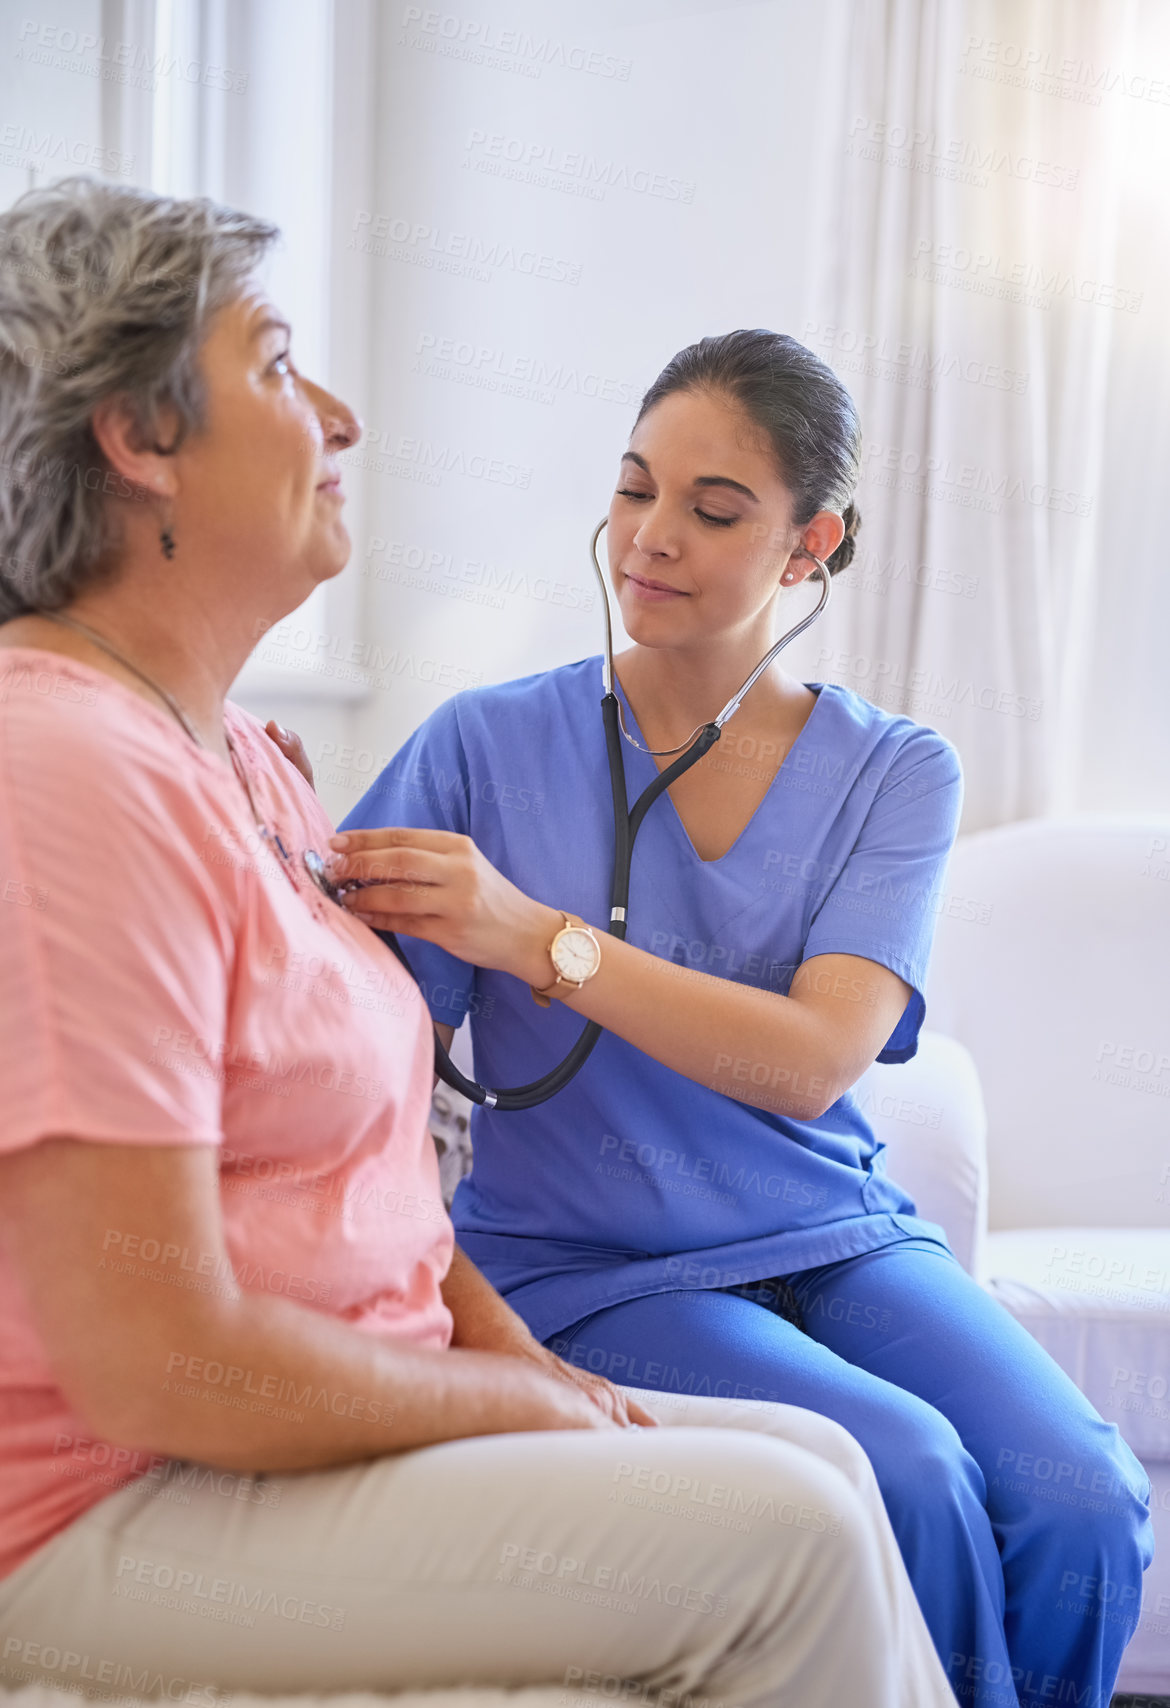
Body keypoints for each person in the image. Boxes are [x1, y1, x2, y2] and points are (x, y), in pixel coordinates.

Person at [0, 177, 957, 1708]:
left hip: (381, 1382)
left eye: (715, 510)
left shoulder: (237, 758)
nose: (337, 415)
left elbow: (371, 1177)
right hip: (107, 1499)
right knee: (786, 1532)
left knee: (832, 1457)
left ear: (804, 548)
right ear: (138, 437)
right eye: (273, 364)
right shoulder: (63, 768)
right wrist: (496, 1405)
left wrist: (518, 1364)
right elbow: (154, 1360)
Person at [333, 330, 1154, 1708]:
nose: (648, 539)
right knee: (910, 1475)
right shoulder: (480, 747)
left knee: (1083, 1496)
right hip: (587, 1269)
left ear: (808, 544)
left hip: (834, 1237)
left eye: (713, 511)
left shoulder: (895, 771)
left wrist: (533, 938)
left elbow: (811, 1061)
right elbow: (343, 1047)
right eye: (635, 488)